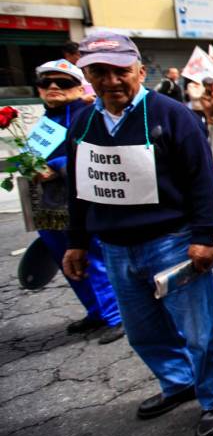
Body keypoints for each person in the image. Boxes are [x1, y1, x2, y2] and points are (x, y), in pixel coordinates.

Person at [62, 33, 213, 436]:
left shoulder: (171, 115)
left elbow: (202, 180)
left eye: (120, 70)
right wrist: (77, 241)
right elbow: (80, 187)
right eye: (99, 72)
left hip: (172, 243)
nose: (111, 81)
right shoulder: (84, 122)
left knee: (199, 331)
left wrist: (203, 236)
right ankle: (179, 383)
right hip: (116, 248)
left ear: (139, 70)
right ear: (87, 76)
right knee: (143, 332)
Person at [31, 60, 124, 344]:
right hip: (49, 205)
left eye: (63, 83)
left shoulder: (89, 115)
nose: (54, 88)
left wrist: (57, 165)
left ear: (78, 86)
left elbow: (105, 155)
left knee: (94, 259)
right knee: (68, 260)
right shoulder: (44, 121)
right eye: (47, 83)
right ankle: (95, 311)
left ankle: (116, 315)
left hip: (83, 202)